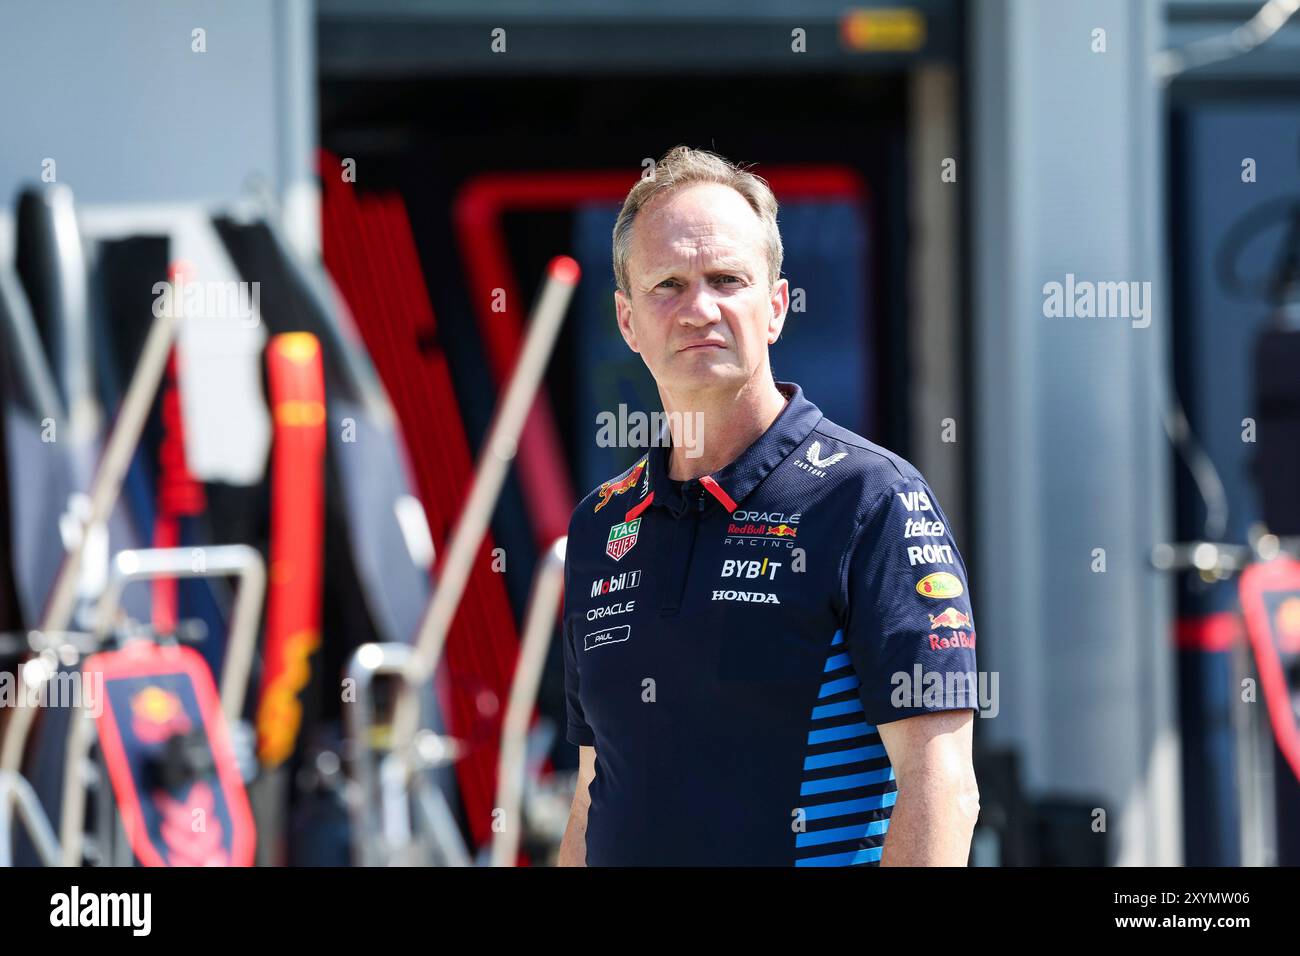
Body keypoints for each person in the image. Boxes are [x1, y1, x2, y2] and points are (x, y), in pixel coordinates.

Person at [557, 146, 979, 866]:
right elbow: (596, 784)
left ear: (776, 305)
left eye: (727, 279)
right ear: (627, 321)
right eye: (669, 285)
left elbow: (940, 784)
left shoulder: (870, 499)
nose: (700, 309)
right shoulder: (602, 522)